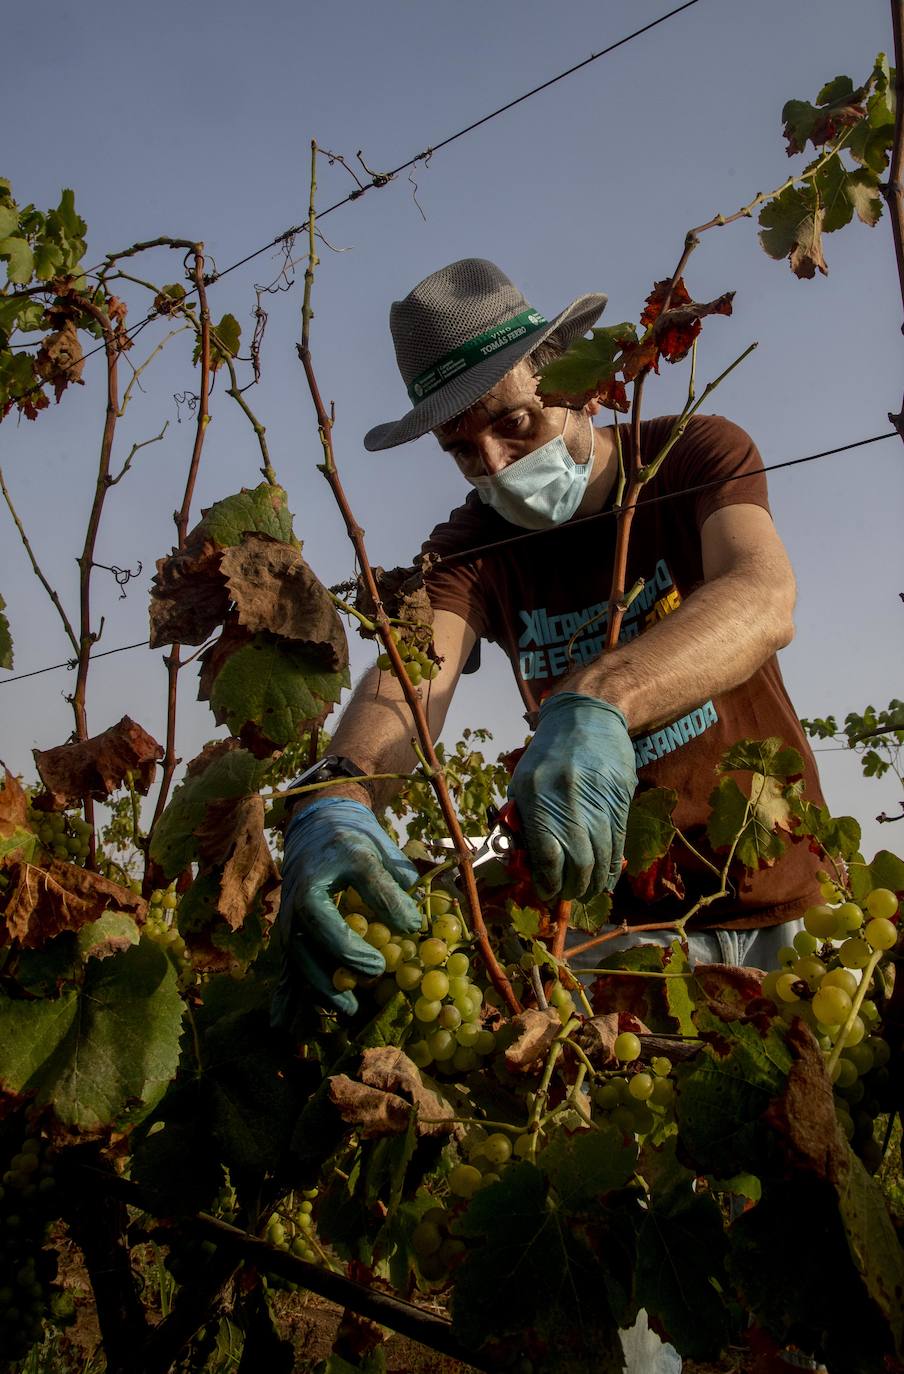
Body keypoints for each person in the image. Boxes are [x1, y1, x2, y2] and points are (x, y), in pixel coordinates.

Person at [273, 256, 826, 1019]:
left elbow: (762, 594)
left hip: (784, 901)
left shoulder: (691, 456)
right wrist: (340, 789)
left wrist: (600, 696)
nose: (493, 465)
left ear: (571, 381)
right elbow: (408, 683)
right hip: (624, 936)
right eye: (464, 449)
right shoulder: (468, 551)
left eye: (513, 423)